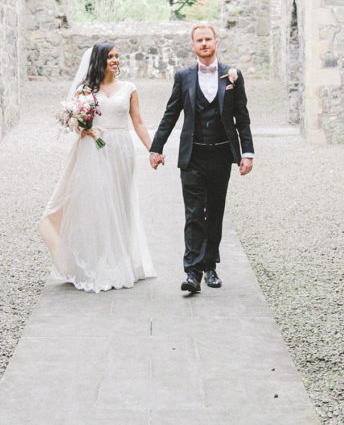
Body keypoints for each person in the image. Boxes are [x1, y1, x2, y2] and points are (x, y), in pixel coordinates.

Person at [38, 42, 157, 292]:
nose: (115, 61)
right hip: (93, 149)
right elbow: (72, 120)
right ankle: (94, 263)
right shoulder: (85, 91)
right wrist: (82, 127)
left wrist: (153, 149)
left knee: (120, 201)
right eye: (109, 57)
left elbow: (139, 123)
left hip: (121, 150)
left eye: (117, 57)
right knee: (96, 202)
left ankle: (120, 260)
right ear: (99, 61)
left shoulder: (129, 89)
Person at [149, 24, 254, 293]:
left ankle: (211, 267)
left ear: (216, 42)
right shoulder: (183, 77)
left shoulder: (233, 76)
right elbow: (170, 114)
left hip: (221, 154)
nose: (204, 43)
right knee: (194, 214)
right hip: (192, 155)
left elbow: (241, 117)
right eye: (199, 40)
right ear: (193, 46)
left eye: (208, 39)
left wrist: (247, 154)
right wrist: (156, 148)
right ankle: (193, 273)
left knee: (215, 213)